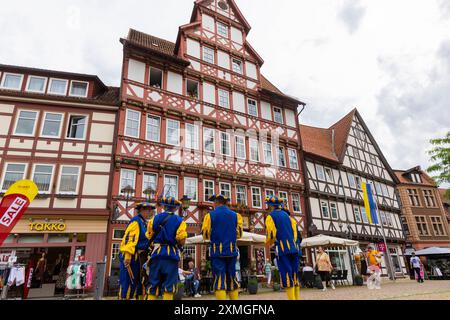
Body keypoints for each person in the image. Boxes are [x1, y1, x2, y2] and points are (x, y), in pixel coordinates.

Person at [201, 194, 243, 300]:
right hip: (232, 251)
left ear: (216, 203)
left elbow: (205, 235)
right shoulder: (236, 215)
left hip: (217, 252)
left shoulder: (210, 215)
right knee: (232, 278)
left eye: (213, 203)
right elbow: (239, 234)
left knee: (219, 280)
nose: (213, 205)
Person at [146, 196, 187, 300]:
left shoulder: (154, 219)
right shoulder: (180, 221)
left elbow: (149, 236)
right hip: (171, 255)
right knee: (169, 285)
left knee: (153, 284)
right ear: (176, 208)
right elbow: (182, 238)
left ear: (164, 206)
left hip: (157, 253)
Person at [265, 196, 301, 300]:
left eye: (268, 205)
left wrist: (270, 243)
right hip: (294, 248)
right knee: (295, 274)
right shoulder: (290, 217)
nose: (267, 207)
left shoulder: (270, 217)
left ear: (271, 206)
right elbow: (295, 235)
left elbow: (271, 234)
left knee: (286, 274)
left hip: (282, 249)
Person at [118, 202, 155, 300]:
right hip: (132, 257)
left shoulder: (144, 222)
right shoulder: (136, 221)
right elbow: (130, 239)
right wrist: (127, 256)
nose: (150, 211)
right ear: (141, 210)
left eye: (151, 209)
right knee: (129, 281)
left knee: (139, 282)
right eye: (148, 209)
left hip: (140, 258)